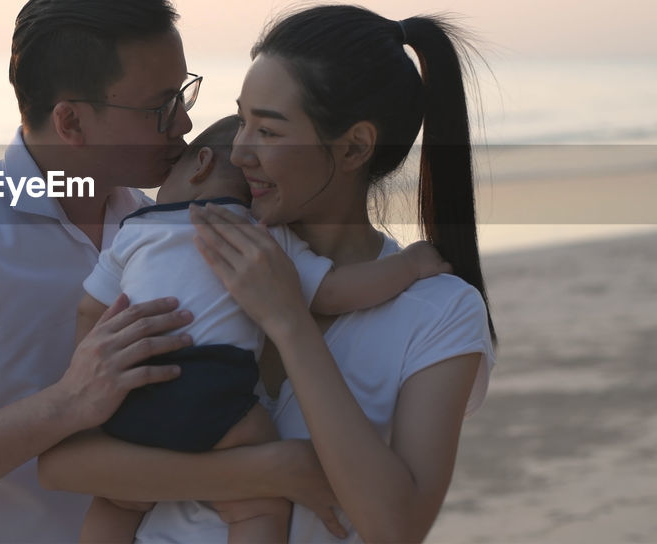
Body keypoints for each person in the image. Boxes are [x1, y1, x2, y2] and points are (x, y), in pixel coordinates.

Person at [0, 0, 340, 544]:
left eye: (185, 94)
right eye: (162, 107)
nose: (186, 123)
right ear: (72, 121)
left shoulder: (167, 228)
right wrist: (66, 403)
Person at [39, 4, 497, 544]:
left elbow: (395, 526)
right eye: (242, 120)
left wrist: (288, 321)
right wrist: (271, 470)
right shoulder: (189, 255)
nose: (240, 151)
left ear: (353, 146)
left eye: (269, 132)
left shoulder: (439, 313)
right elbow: (65, 464)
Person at [76, 115, 452, 543]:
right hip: (211, 392)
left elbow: (90, 309)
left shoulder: (135, 230)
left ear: (199, 164)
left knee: (111, 502)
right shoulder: (258, 237)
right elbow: (333, 293)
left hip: (133, 389)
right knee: (259, 504)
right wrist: (410, 265)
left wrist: (90, 370)